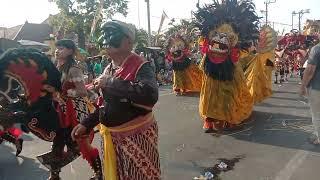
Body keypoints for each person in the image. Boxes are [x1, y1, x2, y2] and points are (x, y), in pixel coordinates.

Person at [71, 20, 161, 180]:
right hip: (111, 138)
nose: (105, 39)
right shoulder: (109, 68)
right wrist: (86, 123)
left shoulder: (141, 65)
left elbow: (150, 95)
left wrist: (110, 82)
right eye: (104, 34)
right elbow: (104, 104)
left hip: (136, 138)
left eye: (111, 34)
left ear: (128, 41)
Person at [43, 39, 102, 180]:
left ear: (70, 51)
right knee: (57, 142)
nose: (58, 50)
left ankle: (99, 173)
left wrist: (64, 94)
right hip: (61, 111)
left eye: (62, 48)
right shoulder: (56, 67)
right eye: (57, 48)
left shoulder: (73, 69)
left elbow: (82, 91)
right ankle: (54, 175)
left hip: (76, 111)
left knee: (82, 143)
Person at [194, 0, 256, 132]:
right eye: (216, 34)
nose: (221, 38)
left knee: (229, 95)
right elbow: (201, 66)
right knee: (209, 95)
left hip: (228, 69)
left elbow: (239, 80)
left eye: (226, 36)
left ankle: (229, 121)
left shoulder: (234, 55)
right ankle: (210, 121)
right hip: (211, 70)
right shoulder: (208, 52)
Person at [300, 41, 320, 145]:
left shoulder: (316, 49)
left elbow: (310, 70)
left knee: (316, 114)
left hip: (317, 88)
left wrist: (303, 86)